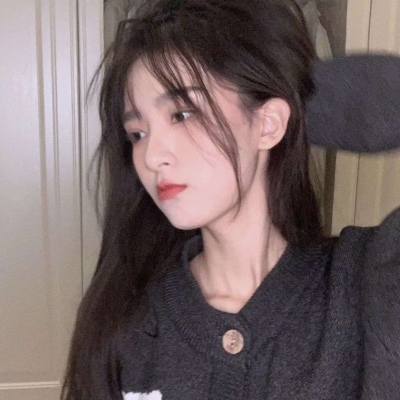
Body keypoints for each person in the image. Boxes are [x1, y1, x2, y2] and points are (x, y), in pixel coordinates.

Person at [61, 0, 400, 399]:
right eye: (138, 133)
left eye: (182, 114)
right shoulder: (127, 319)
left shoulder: (367, 283)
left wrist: (305, 105)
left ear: (269, 123)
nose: (151, 156)